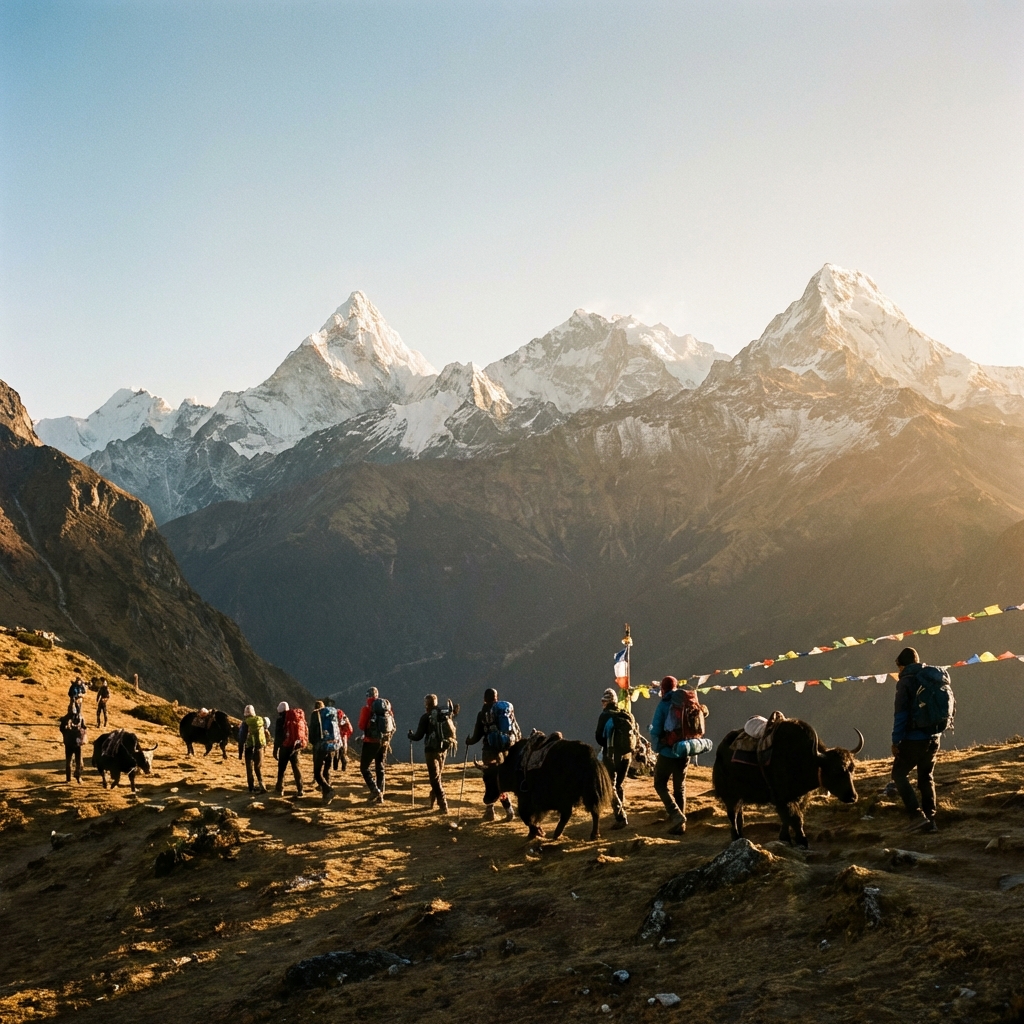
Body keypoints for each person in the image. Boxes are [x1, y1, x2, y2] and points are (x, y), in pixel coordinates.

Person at [891, 647, 940, 833]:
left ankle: (916, 816)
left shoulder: (905, 682)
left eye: (898, 668)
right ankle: (931, 821)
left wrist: (896, 741)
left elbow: (901, 714)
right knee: (926, 777)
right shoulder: (930, 677)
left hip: (914, 739)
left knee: (898, 775)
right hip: (934, 737)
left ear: (902, 666)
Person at [466, 687, 515, 822]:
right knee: (500, 781)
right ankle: (509, 810)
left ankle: (490, 811)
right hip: (504, 751)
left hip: (489, 752)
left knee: (490, 782)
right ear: (496, 698)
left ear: (484, 699)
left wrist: (469, 741)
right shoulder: (503, 710)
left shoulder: (482, 714)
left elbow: (477, 736)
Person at [649, 676, 688, 835]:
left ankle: (676, 815)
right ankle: (681, 825)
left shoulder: (664, 704)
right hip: (685, 750)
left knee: (660, 784)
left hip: (668, 752)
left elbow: (656, 729)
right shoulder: (686, 701)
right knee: (679, 787)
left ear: (663, 689)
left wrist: (655, 741)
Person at [408, 694, 454, 814]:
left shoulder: (426, 717)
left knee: (434, 778)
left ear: (427, 704)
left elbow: (418, 736)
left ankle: (443, 804)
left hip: (431, 750)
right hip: (443, 749)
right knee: (437, 777)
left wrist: (411, 736)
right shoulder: (443, 715)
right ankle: (433, 800)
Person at [595, 687, 633, 830]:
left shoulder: (605, 716)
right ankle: (620, 809)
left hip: (611, 755)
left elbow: (599, 738)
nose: (602, 703)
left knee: (610, 786)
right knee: (619, 785)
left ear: (607, 702)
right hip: (627, 755)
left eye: (603, 701)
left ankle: (621, 816)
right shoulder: (626, 714)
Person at [358, 687, 391, 804]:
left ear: (367, 696)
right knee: (380, 768)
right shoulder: (386, 708)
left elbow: (361, 726)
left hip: (370, 741)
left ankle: (374, 790)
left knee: (364, 767)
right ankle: (380, 796)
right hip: (384, 742)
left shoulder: (367, 709)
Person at [272, 701, 304, 798]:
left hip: (284, 747)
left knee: (281, 769)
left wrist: (275, 749)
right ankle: (300, 789)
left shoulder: (280, 720)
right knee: (296, 768)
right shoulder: (296, 718)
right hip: (295, 747)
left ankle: (280, 789)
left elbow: (278, 736)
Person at [238, 704, 269, 794]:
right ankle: (262, 785)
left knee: (249, 768)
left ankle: (251, 788)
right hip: (260, 747)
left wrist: (240, 753)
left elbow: (241, 739)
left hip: (249, 748)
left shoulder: (245, 724)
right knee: (258, 767)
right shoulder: (261, 721)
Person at [309, 700, 335, 800]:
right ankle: (326, 796)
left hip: (320, 747)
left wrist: (314, 744)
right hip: (331, 746)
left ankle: (328, 790)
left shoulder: (315, 714)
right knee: (327, 770)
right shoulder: (331, 714)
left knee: (317, 773)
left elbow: (312, 732)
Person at [59, 710, 87, 783]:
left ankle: (68, 779)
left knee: (69, 762)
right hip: (77, 743)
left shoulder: (66, 718)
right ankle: (78, 777)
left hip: (69, 743)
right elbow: (84, 728)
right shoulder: (80, 717)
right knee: (79, 762)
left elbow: (61, 729)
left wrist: (66, 734)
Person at [331, 702, 353, 773]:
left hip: (336, 737)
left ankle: (335, 768)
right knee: (342, 753)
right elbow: (350, 730)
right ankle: (343, 768)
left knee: (335, 753)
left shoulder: (333, 718)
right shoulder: (344, 718)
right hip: (343, 737)